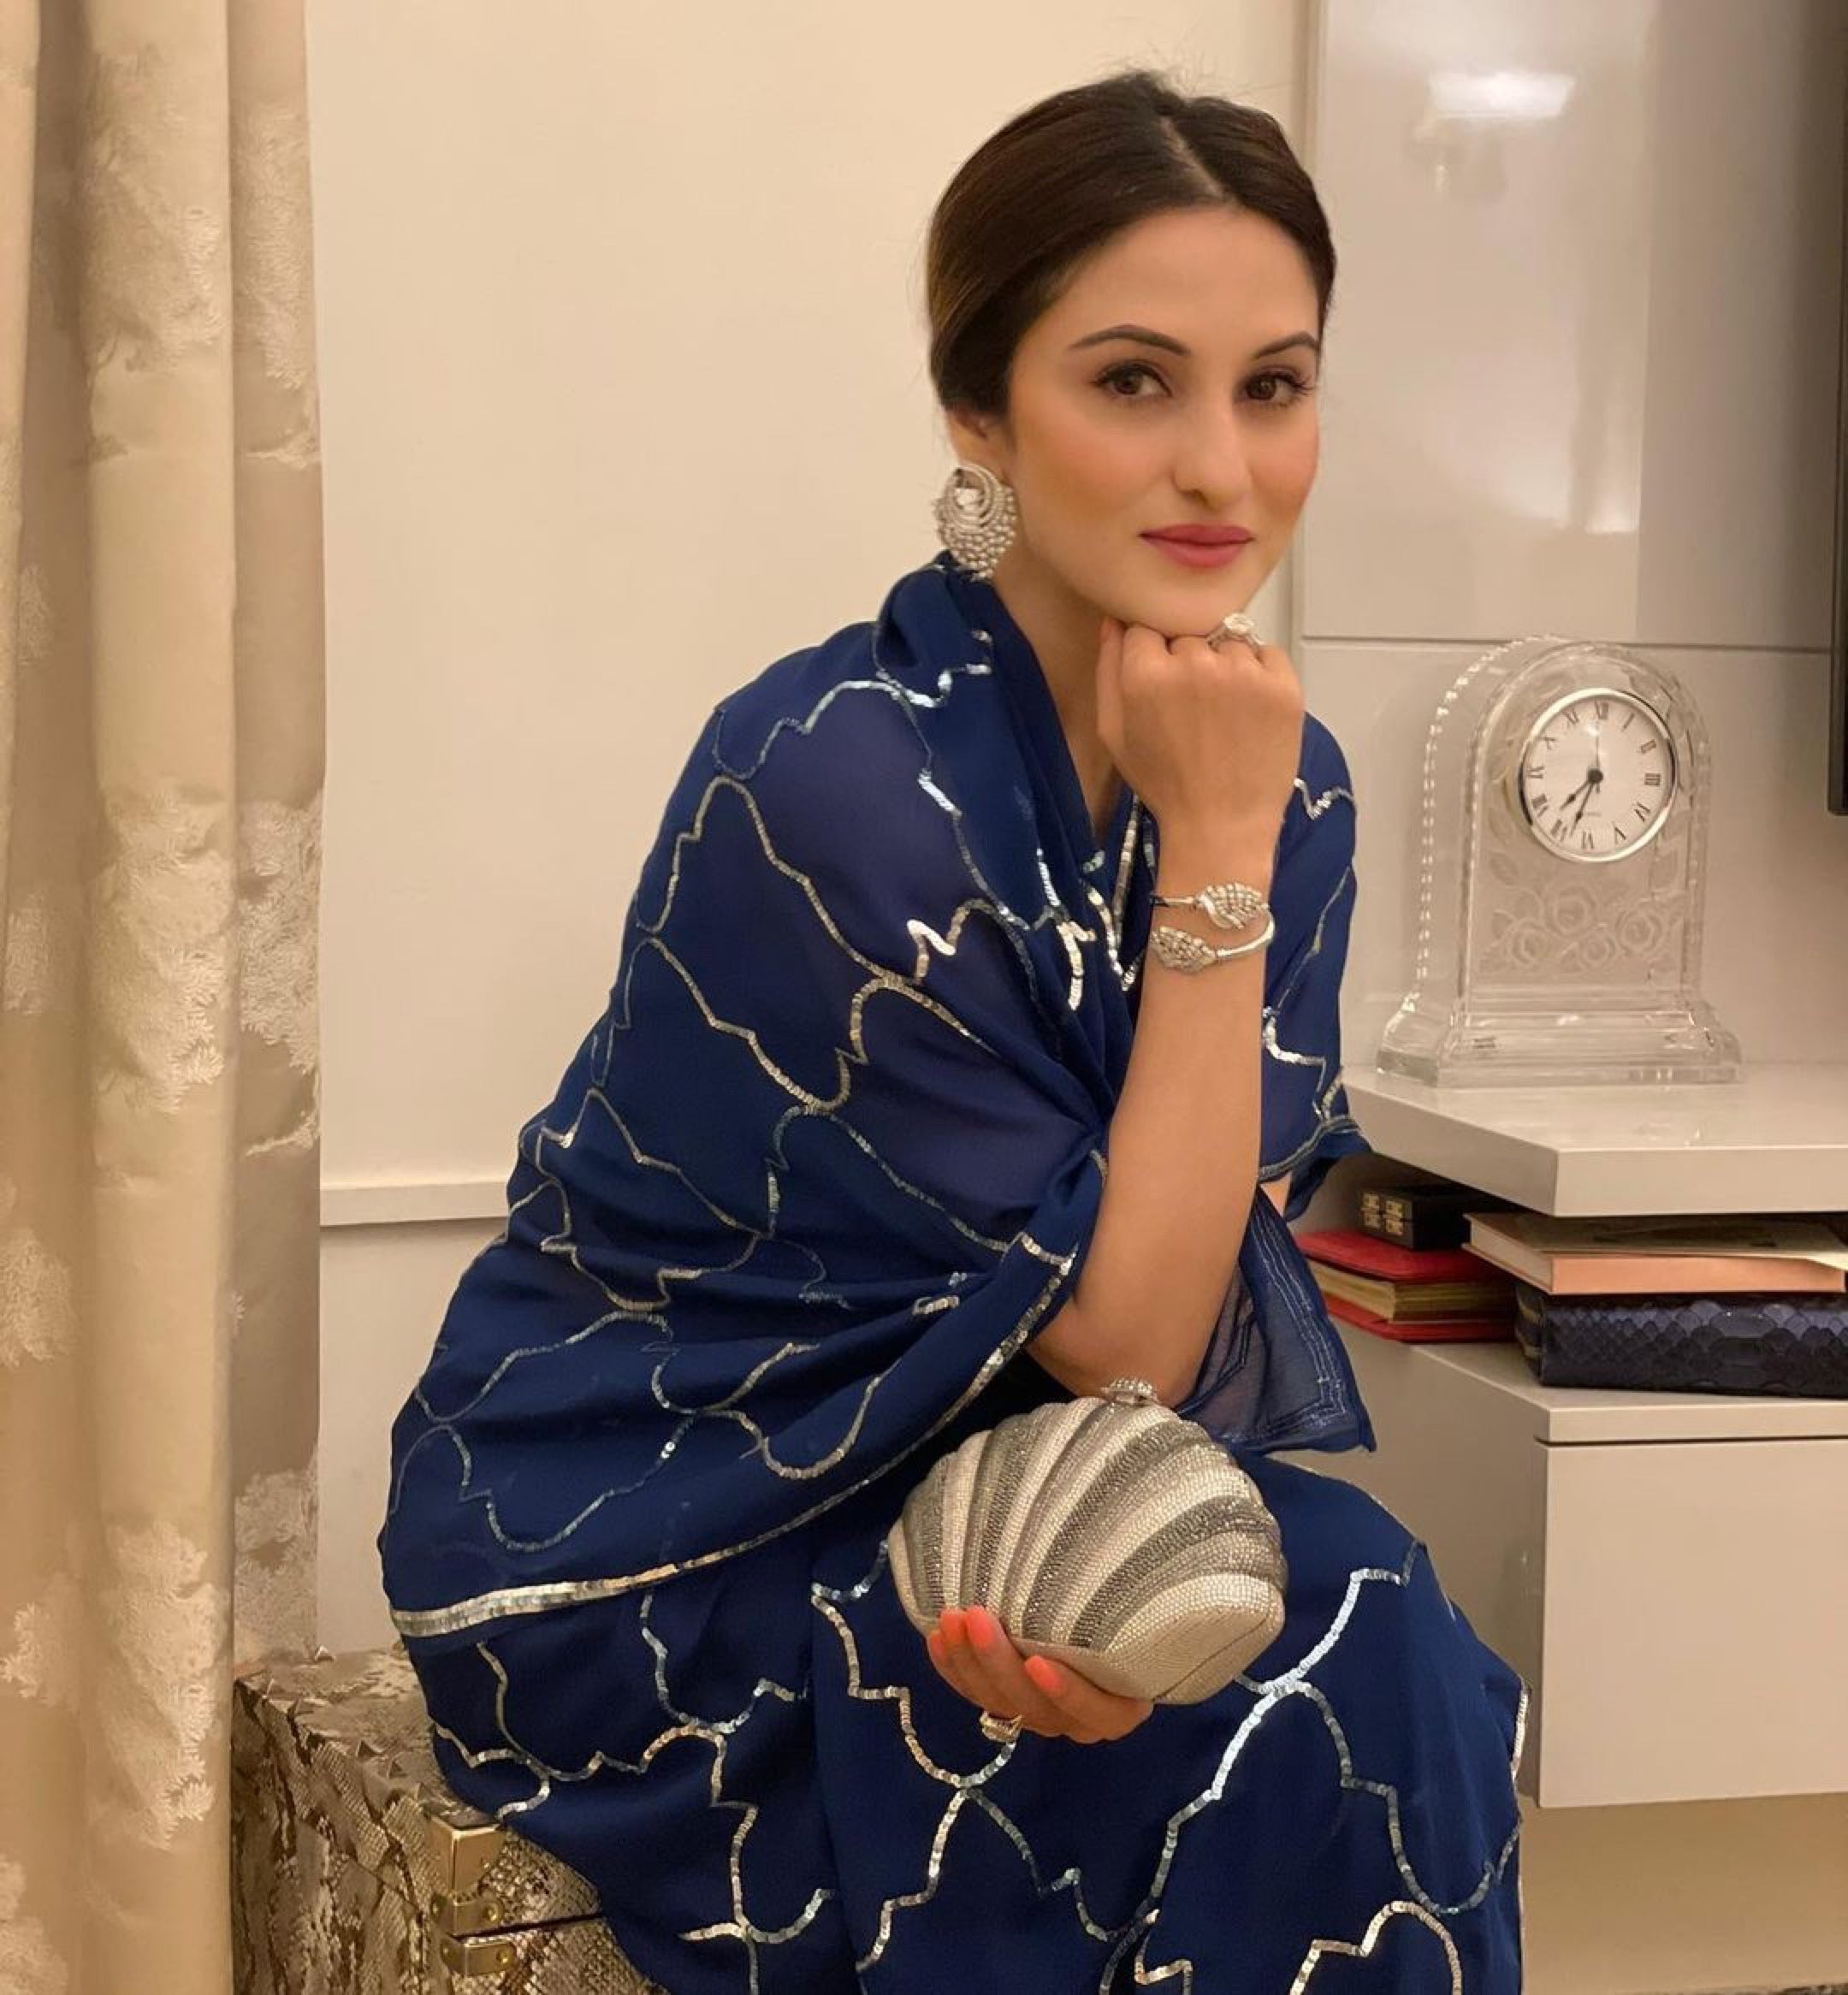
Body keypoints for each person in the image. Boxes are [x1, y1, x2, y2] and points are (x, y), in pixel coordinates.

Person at [379, 68, 1527, 1992]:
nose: (1221, 468)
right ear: (979, 408)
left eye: (1274, 386)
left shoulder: (1280, 780)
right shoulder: (831, 782)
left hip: (1023, 1471)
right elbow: (1134, 1339)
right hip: (669, 1529)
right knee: (1341, 1646)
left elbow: (1159, 1344)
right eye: (1134, 380)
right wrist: (1219, 853)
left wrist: (1126, 1581)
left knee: (1354, 1627)